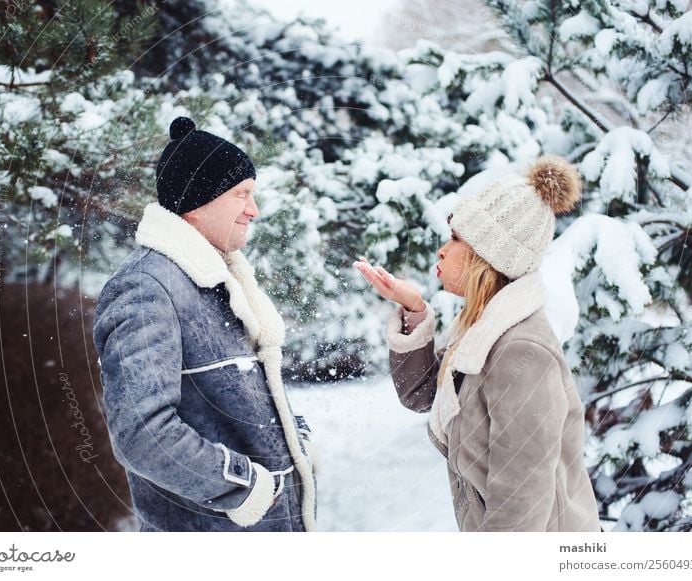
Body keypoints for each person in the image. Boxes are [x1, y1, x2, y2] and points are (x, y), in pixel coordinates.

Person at [354, 156, 602, 532]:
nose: (442, 249)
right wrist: (414, 308)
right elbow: (423, 393)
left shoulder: (522, 350)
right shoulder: (482, 328)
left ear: (488, 257)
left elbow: (521, 501)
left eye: (455, 239)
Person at [93, 117, 317, 531]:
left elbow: (232, 402)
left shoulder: (216, 280)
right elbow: (142, 432)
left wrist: (292, 444)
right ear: (198, 204)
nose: (254, 209)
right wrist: (244, 485)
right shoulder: (147, 288)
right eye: (242, 194)